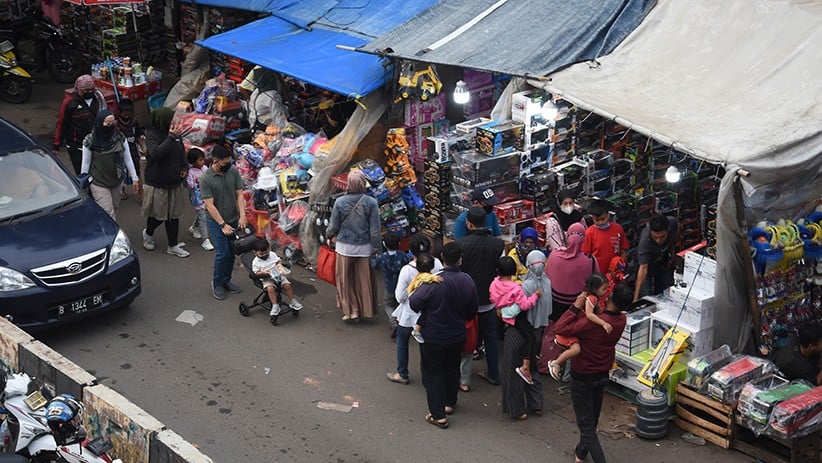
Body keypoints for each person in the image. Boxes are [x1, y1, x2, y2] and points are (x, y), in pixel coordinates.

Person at [553, 283, 632, 463]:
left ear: (610, 295)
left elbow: (559, 328)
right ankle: (581, 453)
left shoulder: (592, 323)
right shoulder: (621, 320)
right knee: (592, 419)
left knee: (587, 427)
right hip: (602, 374)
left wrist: (575, 307)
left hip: (583, 376)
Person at [409, 242, 479, 429]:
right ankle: (449, 403)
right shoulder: (467, 281)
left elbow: (414, 303)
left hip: (433, 336)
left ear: (442, 259)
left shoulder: (433, 281)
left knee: (432, 374)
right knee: (452, 368)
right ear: (460, 260)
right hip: (457, 334)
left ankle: (438, 414)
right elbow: (472, 311)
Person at [500, 249, 552, 419]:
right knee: (532, 367)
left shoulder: (525, 286)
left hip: (522, 331)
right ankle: (536, 404)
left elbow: (513, 311)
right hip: (538, 331)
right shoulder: (547, 282)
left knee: (515, 367)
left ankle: (518, 408)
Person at [458, 206, 505, 386]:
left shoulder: (461, 245)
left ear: (469, 224)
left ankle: (462, 378)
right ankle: (494, 373)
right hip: (489, 301)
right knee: (491, 338)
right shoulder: (497, 244)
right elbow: (503, 272)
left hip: (467, 301)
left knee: (464, 338)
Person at [388, 235, 443, 385]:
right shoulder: (436, 263)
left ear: (411, 251)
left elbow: (399, 297)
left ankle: (402, 373)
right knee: (427, 347)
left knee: (402, 341)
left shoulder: (407, 270)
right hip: (430, 313)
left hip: (409, 314)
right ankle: (431, 376)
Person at [327, 170, 381, 321]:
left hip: (344, 246)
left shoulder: (340, 202)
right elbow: (375, 230)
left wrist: (329, 236)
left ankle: (351, 310)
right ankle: (367, 310)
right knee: (364, 280)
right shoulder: (371, 202)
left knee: (345, 279)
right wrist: (377, 249)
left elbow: (333, 226)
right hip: (364, 247)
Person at [141, 107, 190, 258]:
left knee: (173, 215)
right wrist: (170, 137)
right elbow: (156, 154)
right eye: (169, 120)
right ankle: (148, 233)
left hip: (174, 180)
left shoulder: (175, 134)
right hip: (158, 181)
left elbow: (181, 152)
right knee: (158, 214)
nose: (172, 122)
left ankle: (173, 245)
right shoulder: (152, 135)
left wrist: (184, 167)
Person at [201, 145, 247, 299]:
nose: (228, 164)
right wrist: (222, 224)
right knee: (222, 253)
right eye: (224, 162)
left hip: (233, 218)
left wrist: (242, 215)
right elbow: (209, 205)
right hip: (216, 221)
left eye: (229, 161)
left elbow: (239, 195)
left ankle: (227, 281)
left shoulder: (233, 171)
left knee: (232, 252)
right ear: (215, 161)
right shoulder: (206, 178)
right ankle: (217, 283)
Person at [548, 273, 612, 381]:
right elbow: (590, 314)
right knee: (576, 350)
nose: (605, 291)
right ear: (595, 289)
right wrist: (604, 323)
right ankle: (555, 363)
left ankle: (557, 364)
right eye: (603, 289)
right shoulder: (592, 298)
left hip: (572, 329)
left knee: (575, 350)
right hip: (570, 331)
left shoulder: (587, 296)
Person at [489, 256, 541, 386]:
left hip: (501, 313)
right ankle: (525, 366)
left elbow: (492, 298)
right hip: (515, 318)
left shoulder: (494, 283)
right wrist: (535, 296)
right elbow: (524, 305)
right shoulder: (516, 289)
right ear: (514, 270)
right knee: (530, 338)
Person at [80, 110, 139, 221]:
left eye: (113, 122)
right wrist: (84, 183)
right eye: (107, 123)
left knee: (115, 206)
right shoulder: (90, 141)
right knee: (108, 212)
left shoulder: (120, 138)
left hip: (117, 180)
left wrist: (135, 177)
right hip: (99, 182)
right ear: (99, 123)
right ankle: (114, 235)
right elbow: (86, 163)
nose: (110, 126)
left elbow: (128, 158)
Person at [53, 74, 106, 175]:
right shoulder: (69, 103)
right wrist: (56, 145)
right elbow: (61, 123)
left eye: (91, 90)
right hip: (77, 145)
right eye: (86, 91)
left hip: (96, 142)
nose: (89, 92)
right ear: (78, 89)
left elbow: (105, 116)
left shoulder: (98, 98)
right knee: (82, 172)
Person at [546, 222, 598, 322]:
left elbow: (547, 276)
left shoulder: (554, 255)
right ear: (583, 239)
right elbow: (596, 282)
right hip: (578, 307)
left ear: (567, 237)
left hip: (555, 306)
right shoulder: (590, 260)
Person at [371, 233, 410, 338]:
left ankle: (393, 322)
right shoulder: (402, 256)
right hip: (401, 286)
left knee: (388, 304)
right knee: (400, 303)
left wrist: (373, 256)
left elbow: (374, 264)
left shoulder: (383, 257)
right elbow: (408, 262)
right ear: (399, 243)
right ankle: (402, 323)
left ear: (384, 244)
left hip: (389, 286)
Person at [251, 238, 302, 317]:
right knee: (270, 289)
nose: (264, 255)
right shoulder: (256, 262)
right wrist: (263, 273)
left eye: (266, 252)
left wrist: (280, 267)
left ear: (269, 249)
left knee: (287, 285)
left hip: (277, 274)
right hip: (266, 277)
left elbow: (278, 261)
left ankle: (293, 301)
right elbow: (256, 272)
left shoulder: (272, 254)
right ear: (255, 253)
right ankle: (275, 305)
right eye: (261, 254)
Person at [633, 215, 679, 301]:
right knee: (646, 297)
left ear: (668, 229)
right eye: (655, 237)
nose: (658, 240)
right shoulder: (645, 242)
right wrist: (635, 298)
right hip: (646, 265)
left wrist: (672, 254)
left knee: (667, 291)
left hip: (662, 261)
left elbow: (675, 237)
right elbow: (643, 268)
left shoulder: (672, 223)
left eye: (661, 237)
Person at [582, 199, 629, 274]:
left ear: (608, 215)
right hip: (599, 274)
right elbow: (586, 257)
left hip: (616, 272)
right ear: (592, 217)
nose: (600, 222)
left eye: (603, 219)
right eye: (596, 220)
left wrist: (622, 268)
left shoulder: (618, 229)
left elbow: (623, 251)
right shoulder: (589, 233)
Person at [184, 148, 214, 251]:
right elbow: (190, 186)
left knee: (202, 214)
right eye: (200, 160)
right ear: (193, 161)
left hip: (207, 196)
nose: (202, 162)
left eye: (203, 159)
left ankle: (194, 227)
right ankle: (205, 240)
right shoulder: (190, 172)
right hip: (198, 198)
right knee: (203, 217)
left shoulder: (205, 168)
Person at [116, 98, 145, 201]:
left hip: (132, 151)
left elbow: (138, 135)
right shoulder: (116, 124)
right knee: (120, 172)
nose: (127, 115)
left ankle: (141, 195)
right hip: (120, 151)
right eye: (124, 113)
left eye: (129, 112)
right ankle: (122, 190)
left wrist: (143, 146)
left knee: (137, 173)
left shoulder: (134, 122)